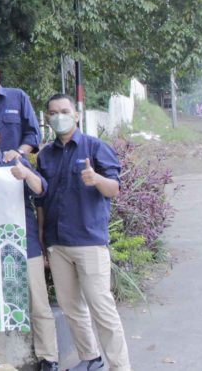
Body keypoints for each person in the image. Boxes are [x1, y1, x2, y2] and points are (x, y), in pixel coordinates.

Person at [36, 94, 131, 371]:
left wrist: (96, 179)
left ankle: (120, 366)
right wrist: (43, 238)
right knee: (71, 309)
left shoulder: (96, 148)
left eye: (64, 111)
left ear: (76, 115)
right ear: (48, 118)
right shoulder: (45, 155)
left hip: (89, 241)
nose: (58, 116)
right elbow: (42, 199)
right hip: (57, 243)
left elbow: (114, 188)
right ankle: (91, 359)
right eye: (53, 112)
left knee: (102, 309)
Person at [0, 122, 56, 370]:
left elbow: (41, 191)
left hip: (24, 243)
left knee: (38, 302)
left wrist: (26, 175)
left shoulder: (14, 161)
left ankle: (49, 358)